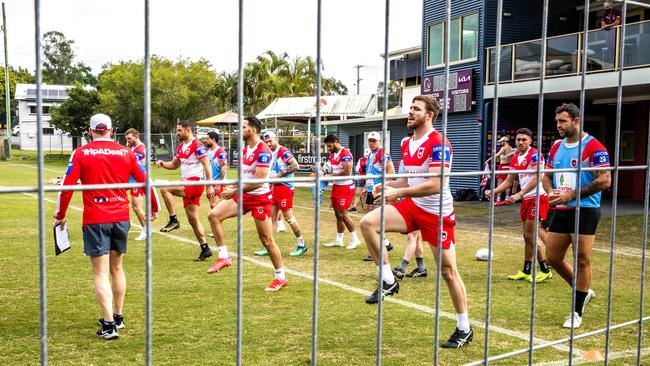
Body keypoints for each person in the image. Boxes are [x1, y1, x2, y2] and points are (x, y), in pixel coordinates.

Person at [360, 95, 472, 348]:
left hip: (437, 213)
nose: (410, 112)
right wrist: (386, 185)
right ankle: (388, 280)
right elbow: (406, 180)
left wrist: (398, 193)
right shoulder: (406, 142)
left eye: (416, 109)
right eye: (410, 108)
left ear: (430, 114)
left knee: (448, 272)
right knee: (368, 224)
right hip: (413, 205)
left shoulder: (439, 142)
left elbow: (435, 184)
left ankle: (464, 328)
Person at [53, 114, 160, 339]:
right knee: (117, 268)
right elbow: (145, 179)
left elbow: (67, 186)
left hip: (96, 219)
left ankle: (109, 325)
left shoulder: (81, 152)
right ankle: (118, 317)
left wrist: (60, 214)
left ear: (90, 131)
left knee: (100, 274)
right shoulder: (127, 152)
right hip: (121, 217)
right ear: (112, 130)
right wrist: (153, 205)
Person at [543, 103, 611, 329]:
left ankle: (576, 310)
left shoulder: (593, 147)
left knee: (582, 258)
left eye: (563, 121)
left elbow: (605, 180)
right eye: (557, 122)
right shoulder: (555, 147)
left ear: (576, 121)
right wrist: (551, 191)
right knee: (552, 257)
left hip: (586, 210)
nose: (559, 125)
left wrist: (571, 194)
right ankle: (584, 289)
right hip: (561, 209)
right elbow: (546, 176)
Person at [206, 117, 288, 291]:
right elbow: (246, 176)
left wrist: (235, 191)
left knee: (267, 240)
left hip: (259, 198)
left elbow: (259, 181)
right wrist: (234, 186)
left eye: (242, 127)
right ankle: (224, 257)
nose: (239, 130)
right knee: (214, 215)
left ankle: (280, 276)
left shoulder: (263, 149)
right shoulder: (246, 148)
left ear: (253, 130)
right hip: (244, 195)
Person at [485, 128, 553, 283]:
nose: (521, 142)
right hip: (527, 200)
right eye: (518, 139)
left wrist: (519, 194)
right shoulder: (515, 158)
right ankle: (527, 270)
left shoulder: (535, 155)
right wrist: (493, 191)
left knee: (530, 235)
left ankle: (545, 269)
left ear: (530, 141)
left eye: (524, 139)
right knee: (526, 236)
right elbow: (509, 181)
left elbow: (537, 178)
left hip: (538, 198)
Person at [157, 121, 215, 261]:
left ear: (188, 130)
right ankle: (205, 248)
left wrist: (209, 185)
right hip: (186, 183)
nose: (177, 133)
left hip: (195, 183)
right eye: (177, 130)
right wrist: (163, 164)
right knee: (193, 220)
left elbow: (207, 165)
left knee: (165, 189)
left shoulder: (197, 145)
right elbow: (175, 164)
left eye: (179, 130)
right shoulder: (181, 147)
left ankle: (173, 220)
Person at [253, 131, 308, 257]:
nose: (268, 143)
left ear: (275, 139)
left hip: (284, 187)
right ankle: (268, 246)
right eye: (266, 142)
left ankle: (301, 244)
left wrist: (279, 175)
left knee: (289, 217)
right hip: (274, 188)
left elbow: (295, 165)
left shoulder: (283, 151)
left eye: (270, 141)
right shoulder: (268, 152)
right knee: (272, 218)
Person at [322, 134, 361, 249]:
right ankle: (339, 240)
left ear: (335, 142)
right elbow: (329, 167)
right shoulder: (333, 154)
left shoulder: (345, 154)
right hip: (336, 186)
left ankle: (355, 239)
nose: (328, 148)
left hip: (345, 187)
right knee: (337, 215)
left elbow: (347, 171)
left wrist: (330, 175)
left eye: (329, 146)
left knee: (343, 215)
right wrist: (323, 171)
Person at [392, 160, 427, 279]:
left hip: (417, 203)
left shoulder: (417, 164)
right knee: (416, 239)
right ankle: (421, 268)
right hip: (410, 202)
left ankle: (401, 268)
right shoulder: (404, 163)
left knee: (412, 237)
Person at [124, 128, 148, 241]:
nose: (127, 140)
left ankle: (146, 230)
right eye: (126, 139)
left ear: (136, 137)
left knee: (136, 207)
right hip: (130, 180)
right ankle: (123, 223)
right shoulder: (133, 148)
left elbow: (130, 165)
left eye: (129, 138)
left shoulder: (140, 149)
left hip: (138, 181)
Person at [486, 136, 515, 205]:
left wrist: (488, 160)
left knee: (499, 183)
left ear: (505, 141)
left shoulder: (504, 147)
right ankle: (507, 199)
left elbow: (497, 155)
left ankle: (498, 200)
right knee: (507, 183)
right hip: (508, 167)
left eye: (501, 142)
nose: (500, 143)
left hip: (503, 167)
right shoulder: (511, 148)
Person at [205, 131, 228, 209]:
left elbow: (223, 168)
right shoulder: (207, 152)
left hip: (217, 183)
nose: (206, 140)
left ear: (213, 139)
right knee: (213, 207)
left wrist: (219, 184)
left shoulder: (220, 151)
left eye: (208, 139)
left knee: (214, 205)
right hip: (210, 183)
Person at [601, 0, 621, 66]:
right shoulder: (604, 13)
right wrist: (608, 26)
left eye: (607, 7)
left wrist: (607, 25)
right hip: (608, 34)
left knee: (616, 48)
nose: (606, 9)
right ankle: (613, 63)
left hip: (617, 33)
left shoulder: (617, 11)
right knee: (610, 48)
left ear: (612, 6)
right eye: (605, 7)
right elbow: (603, 25)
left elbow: (617, 23)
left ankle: (618, 63)